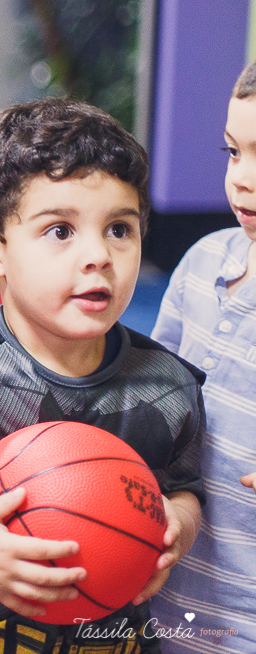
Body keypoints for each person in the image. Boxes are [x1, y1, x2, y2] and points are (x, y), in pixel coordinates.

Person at [0, 98, 206, 654]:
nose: (98, 255)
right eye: (60, 231)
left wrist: (178, 523)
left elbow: (185, 485)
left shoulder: (170, 386)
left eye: (119, 229)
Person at [147, 61, 256, 651]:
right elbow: (151, 396)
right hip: (167, 600)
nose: (242, 178)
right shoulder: (204, 262)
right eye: (234, 152)